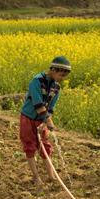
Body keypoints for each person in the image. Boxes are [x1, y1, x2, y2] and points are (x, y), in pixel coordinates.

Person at [20, 56, 71, 185]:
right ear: (53, 70)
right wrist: (49, 122)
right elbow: (38, 105)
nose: (61, 79)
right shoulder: (36, 82)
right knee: (30, 146)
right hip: (28, 118)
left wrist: (45, 122)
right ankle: (36, 177)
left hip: (42, 120)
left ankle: (51, 176)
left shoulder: (56, 88)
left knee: (45, 146)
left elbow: (50, 107)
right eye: (60, 75)